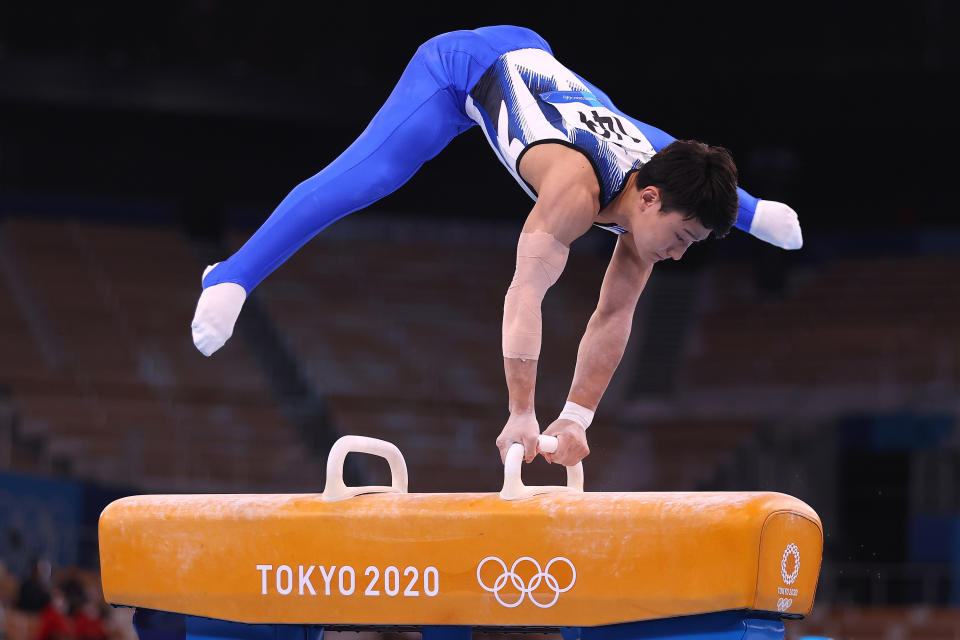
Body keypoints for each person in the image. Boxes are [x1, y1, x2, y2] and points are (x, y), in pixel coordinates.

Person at [191, 26, 802, 468]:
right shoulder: (572, 192)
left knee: (681, 160)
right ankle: (233, 276)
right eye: (683, 237)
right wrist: (520, 412)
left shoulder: (653, 197)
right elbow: (524, 295)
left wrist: (576, 417)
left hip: (544, 62)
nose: (679, 254)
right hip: (463, 68)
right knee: (365, 177)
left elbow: (614, 314)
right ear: (647, 202)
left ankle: (751, 210)